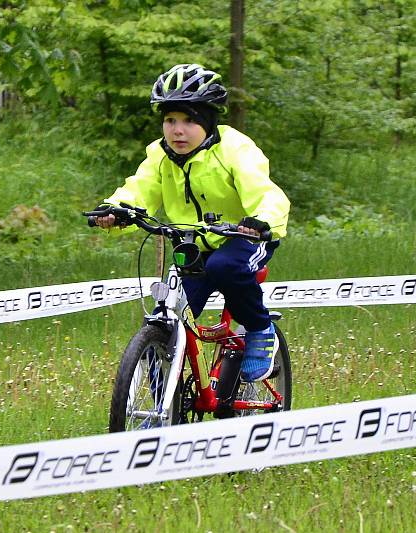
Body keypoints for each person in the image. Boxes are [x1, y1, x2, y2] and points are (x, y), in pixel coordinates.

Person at [92, 63, 290, 382]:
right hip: (194, 245)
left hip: (245, 237)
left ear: (208, 121)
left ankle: (259, 328)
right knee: (168, 316)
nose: (177, 130)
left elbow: (267, 193)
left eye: (188, 120)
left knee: (223, 267)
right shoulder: (160, 154)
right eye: (170, 120)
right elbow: (140, 188)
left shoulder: (234, 149)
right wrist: (116, 208)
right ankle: (164, 412)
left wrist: (261, 221)